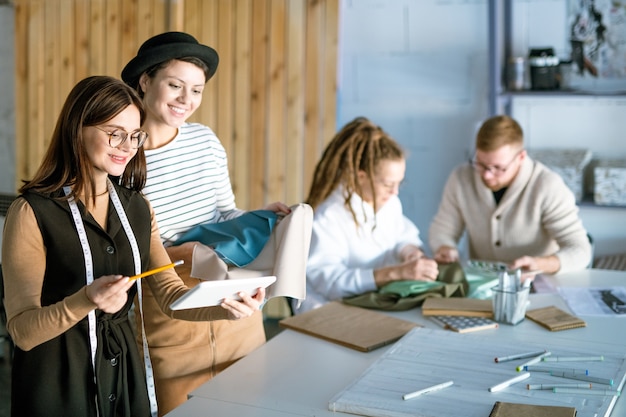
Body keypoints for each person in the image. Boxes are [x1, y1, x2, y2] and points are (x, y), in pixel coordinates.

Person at [1, 76, 264, 417]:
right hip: (59, 381)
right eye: (115, 133)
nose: (127, 146)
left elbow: (170, 297)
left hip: (124, 374)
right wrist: (86, 299)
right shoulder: (32, 212)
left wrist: (224, 307)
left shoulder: (138, 207)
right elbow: (21, 332)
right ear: (77, 128)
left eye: (135, 135)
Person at [121, 31, 311, 415]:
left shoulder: (205, 141)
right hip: (170, 308)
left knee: (248, 405)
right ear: (145, 81)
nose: (185, 100)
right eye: (175, 85)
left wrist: (260, 217)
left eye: (196, 90)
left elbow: (223, 214)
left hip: (234, 306)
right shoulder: (122, 157)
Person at [294, 116, 439, 314]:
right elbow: (330, 283)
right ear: (361, 176)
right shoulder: (328, 215)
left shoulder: (388, 202)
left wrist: (409, 252)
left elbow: (401, 235)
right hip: (327, 310)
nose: (395, 192)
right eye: (388, 184)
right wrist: (397, 272)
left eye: (400, 183)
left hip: (372, 303)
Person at [429, 114, 592, 276]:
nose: (487, 175)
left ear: (521, 157)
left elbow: (580, 251)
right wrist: (445, 247)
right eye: (480, 164)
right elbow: (443, 229)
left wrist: (540, 263)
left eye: (498, 168)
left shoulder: (547, 185)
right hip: (484, 283)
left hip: (537, 284)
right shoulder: (461, 178)